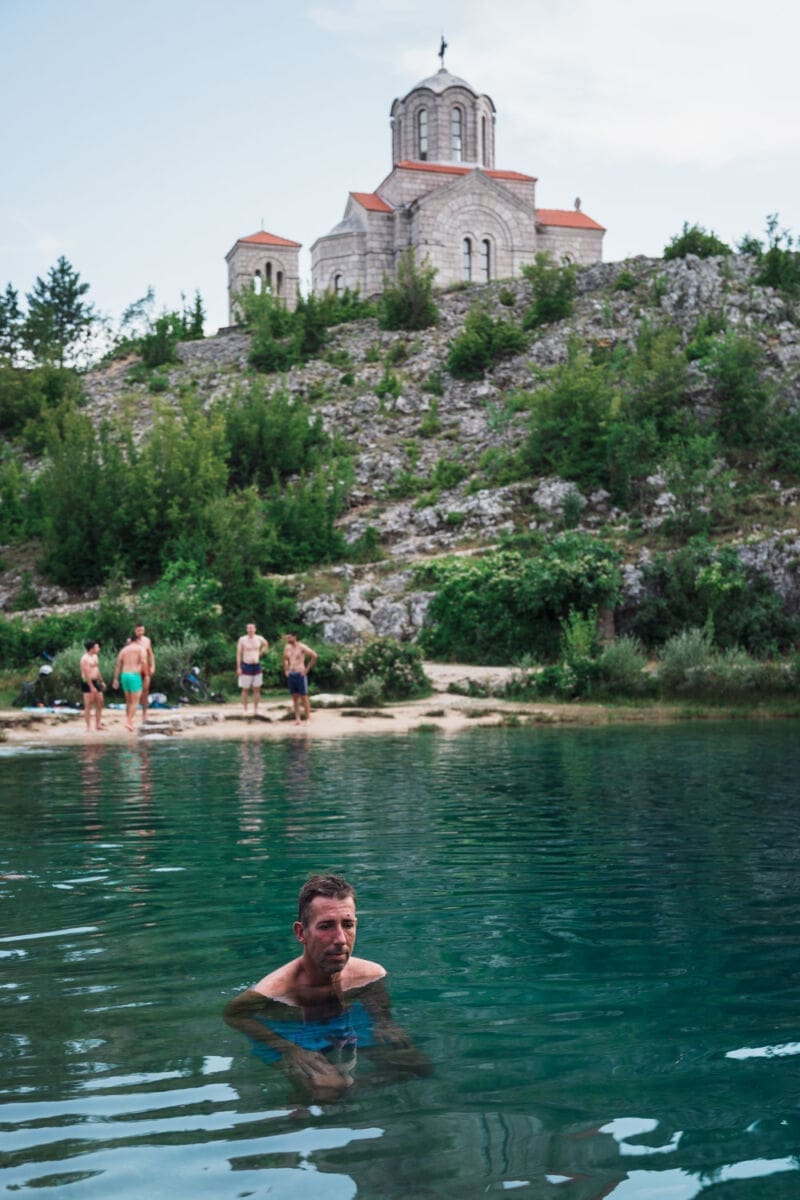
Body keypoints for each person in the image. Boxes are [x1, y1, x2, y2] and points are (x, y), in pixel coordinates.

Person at [224, 874, 428, 1100]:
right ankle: (315, 1100)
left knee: (417, 1066)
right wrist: (288, 1049)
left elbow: (374, 996)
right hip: (290, 1031)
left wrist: (383, 1022)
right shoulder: (275, 990)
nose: (340, 939)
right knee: (328, 1090)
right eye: (326, 926)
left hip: (345, 1022)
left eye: (347, 924)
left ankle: (352, 1091)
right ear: (301, 933)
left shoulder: (370, 974)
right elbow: (233, 1015)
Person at [112, 633, 149, 733]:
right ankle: (128, 721)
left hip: (124, 675)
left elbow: (118, 665)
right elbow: (143, 662)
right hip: (134, 675)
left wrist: (115, 679)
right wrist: (146, 675)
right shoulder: (140, 649)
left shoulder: (123, 650)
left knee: (128, 701)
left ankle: (130, 722)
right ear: (137, 640)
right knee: (135, 701)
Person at [283, 633, 317, 725]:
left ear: (294, 637)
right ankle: (297, 719)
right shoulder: (287, 647)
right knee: (294, 697)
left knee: (304, 697)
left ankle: (308, 719)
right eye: (287, 638)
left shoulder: (302, 646)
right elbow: (285, 658)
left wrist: (307, 670)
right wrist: (286, 670)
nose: (288, 639)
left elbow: (314, 655)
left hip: (300, 673)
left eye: (289, 637)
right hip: (291, 673)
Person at [236, 623, 270, 715]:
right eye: (249, 628)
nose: (250, 630)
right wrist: (238, 667)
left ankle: (256, 709)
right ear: (246, 629)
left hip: (256, 665)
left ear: (255, 629)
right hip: (246, 665)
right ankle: (245, 709)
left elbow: (266, 644)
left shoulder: (259, 638)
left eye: (252, 628)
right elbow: (238, 654)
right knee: (245, 689)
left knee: (257, 689)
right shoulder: (242, 639)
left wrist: (262, 652)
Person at [79, 640, 106, 732]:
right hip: (87, 682)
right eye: (97, 647)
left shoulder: (95, 657)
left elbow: (97, 670)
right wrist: (91, 686)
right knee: (89, 704)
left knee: (100, 702)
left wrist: (101, 681)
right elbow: (86, 673)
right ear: (92, 648)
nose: (99, 649)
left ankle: (98, 724)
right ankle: (88, 726)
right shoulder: (84, 659)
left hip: (96, 681)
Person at [133, 622, 156, 716]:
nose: (140, 632)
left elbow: (151, 654)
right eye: (138, 630)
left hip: (145, 666)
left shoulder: (147, 640)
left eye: (142, 630)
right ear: (135, 631)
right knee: (135, 690)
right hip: (135, 667)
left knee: (145, 690)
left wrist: (153, 666)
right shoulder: (131, 641)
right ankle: (132, 711)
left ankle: (144, 712)